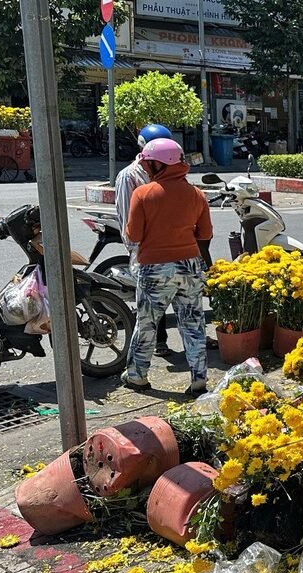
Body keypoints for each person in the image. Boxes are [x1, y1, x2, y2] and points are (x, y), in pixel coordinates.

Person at [121, 138, 213, 396]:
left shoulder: (143, 194)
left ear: (157, 164)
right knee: (194, 323)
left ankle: (137, 376)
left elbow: (134, 235)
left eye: (148, 164)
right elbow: (205, 233)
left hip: (154, 269)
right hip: (190, 266)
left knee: (147, 323)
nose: (146, 168)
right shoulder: (197, 195)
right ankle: (198, 379)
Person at [115, 123, 174, 357]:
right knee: (149, 305)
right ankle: (147, 353)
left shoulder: (168, 171)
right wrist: (137, 250)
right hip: (145, 249)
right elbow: (126, 217)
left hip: (170, 247)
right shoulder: (129, 177)